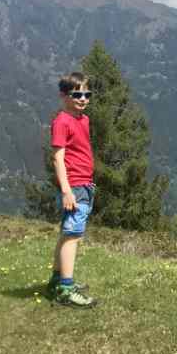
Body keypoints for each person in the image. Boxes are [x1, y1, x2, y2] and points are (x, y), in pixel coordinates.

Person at [47, 72, 97, 308]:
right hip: (74, 185)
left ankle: (57, 282)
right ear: (64, 95)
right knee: (73, 235)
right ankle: (66, 289)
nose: (83, 98)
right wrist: (66, 190)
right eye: (77, 94)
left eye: (87, 93)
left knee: (67, 232)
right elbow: (58, 158)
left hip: (84, 183)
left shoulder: (83, 119)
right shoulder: (62, 121)